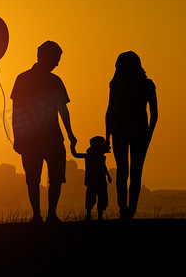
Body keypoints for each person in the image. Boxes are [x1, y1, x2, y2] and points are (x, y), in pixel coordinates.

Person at [11, 40, 77, 224]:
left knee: (44, 178)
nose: (57, 63)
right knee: (38, 178)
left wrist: (71, 135)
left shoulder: (28, 79)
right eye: (56, 59)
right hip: (41, 139)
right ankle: (43, 216)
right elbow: (17, 111)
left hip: (46, 138)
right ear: (46, 57)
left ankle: (45, 216)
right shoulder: (31, 80)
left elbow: (62, 110)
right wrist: (70, 135)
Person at [105, 51, 158, 220]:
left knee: (123, 171)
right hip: (138, 132)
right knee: (135, 172)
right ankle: (129, 211)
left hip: (120, 132)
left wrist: (107, 136)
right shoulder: (147, 84)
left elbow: (109, 112)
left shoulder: (117, 85)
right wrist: (149, 133)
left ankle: (124, 210)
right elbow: (154, 115)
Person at [71, 136, 112, 221]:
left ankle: (91, 215)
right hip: (96, 180)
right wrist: (108, 175)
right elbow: (103, 167)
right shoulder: (95, 156)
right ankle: (94, 215)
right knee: (96, 198)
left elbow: (75, 154)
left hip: (95, 180)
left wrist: (72, 146)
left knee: (96, 198)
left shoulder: (92, 156)